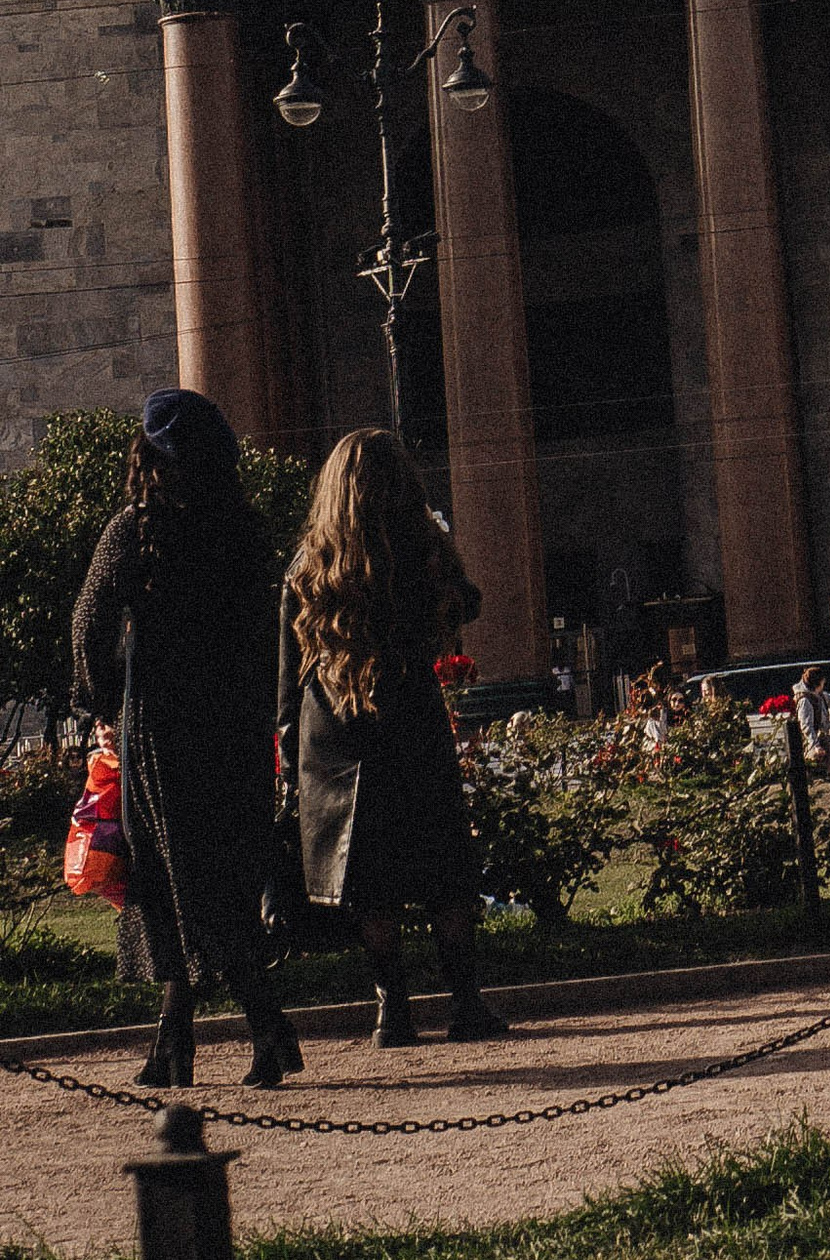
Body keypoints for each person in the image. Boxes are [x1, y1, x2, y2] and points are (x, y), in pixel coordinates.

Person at [71, 390, 301, 1091]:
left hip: (164, 729)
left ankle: (268, 1026)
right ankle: (175, 1045)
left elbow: (88, 624)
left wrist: (102, 701)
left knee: (178, 881)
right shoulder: (242, 530)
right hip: (232, 727)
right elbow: (266, 635)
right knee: (209, 877)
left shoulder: (132, 532)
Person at [278, 431, 508, 1048]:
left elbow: (288, 667)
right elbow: (470, 606)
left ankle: (392, 1012)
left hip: (333, 729)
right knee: (443, 863)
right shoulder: (421, 547)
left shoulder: (310, 562)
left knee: (367, 876)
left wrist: (284, 742)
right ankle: (465, 1003)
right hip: (407, 713)